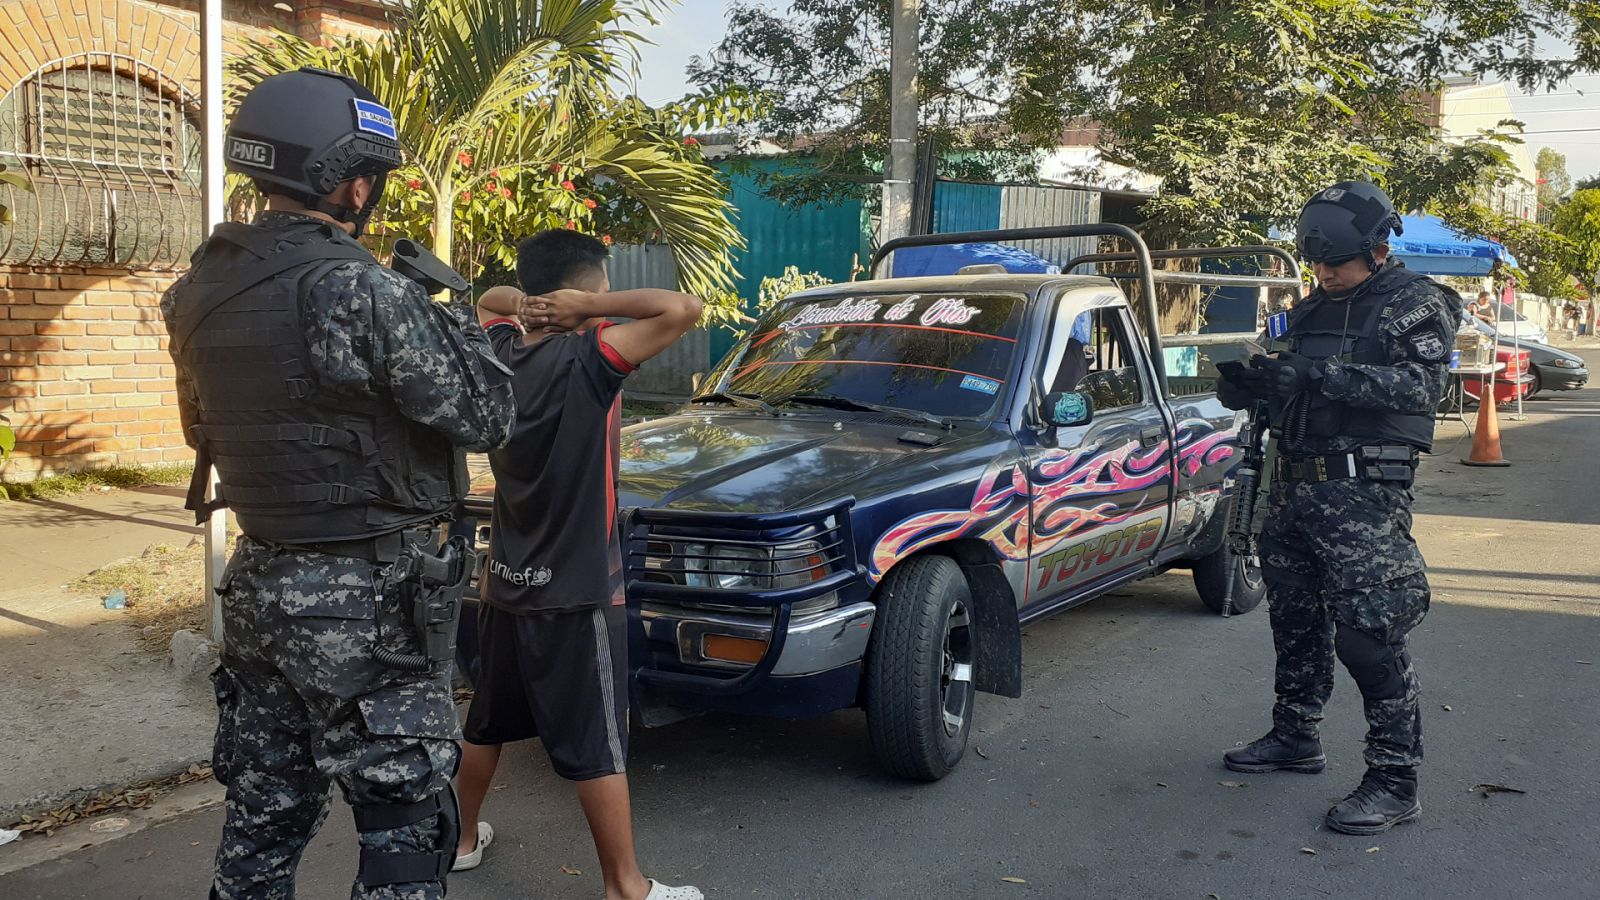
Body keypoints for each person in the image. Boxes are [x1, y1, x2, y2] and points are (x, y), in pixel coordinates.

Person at [162, 67, 515, 899]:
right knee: (404, 832)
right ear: (353, 184)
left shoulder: (195, 292)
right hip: (371, 603)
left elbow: (200, 429)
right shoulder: (364, 290)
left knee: (263, 820)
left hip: (258, 589)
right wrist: (456, 313)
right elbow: (489, 414)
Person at [452, 230, 704, 900]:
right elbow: (684, 308)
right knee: (599, 740)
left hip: (506, 580)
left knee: (487, 719)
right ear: (582, 294)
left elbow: (489, 300)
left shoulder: (500, 351)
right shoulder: (590, 358)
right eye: (602, 289)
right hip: (576, 587)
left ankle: (461, 839)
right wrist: (587, 310)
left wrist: (532, 305)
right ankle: (626, 887)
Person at [1216, 181, 1460, 835]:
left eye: (1337, 263)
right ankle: (1296, 735)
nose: (1325, 274)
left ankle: (1395, 779)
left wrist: (1319, 375)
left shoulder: (1415, 303)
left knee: (1369, 636)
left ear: (1378, 250)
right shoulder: (1309, 309)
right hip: (1294, 488)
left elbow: (1423, 387)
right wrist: (1252, 386)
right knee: (1295, 622)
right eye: (1317, 263)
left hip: (1364, 496)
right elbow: (1284, 375)